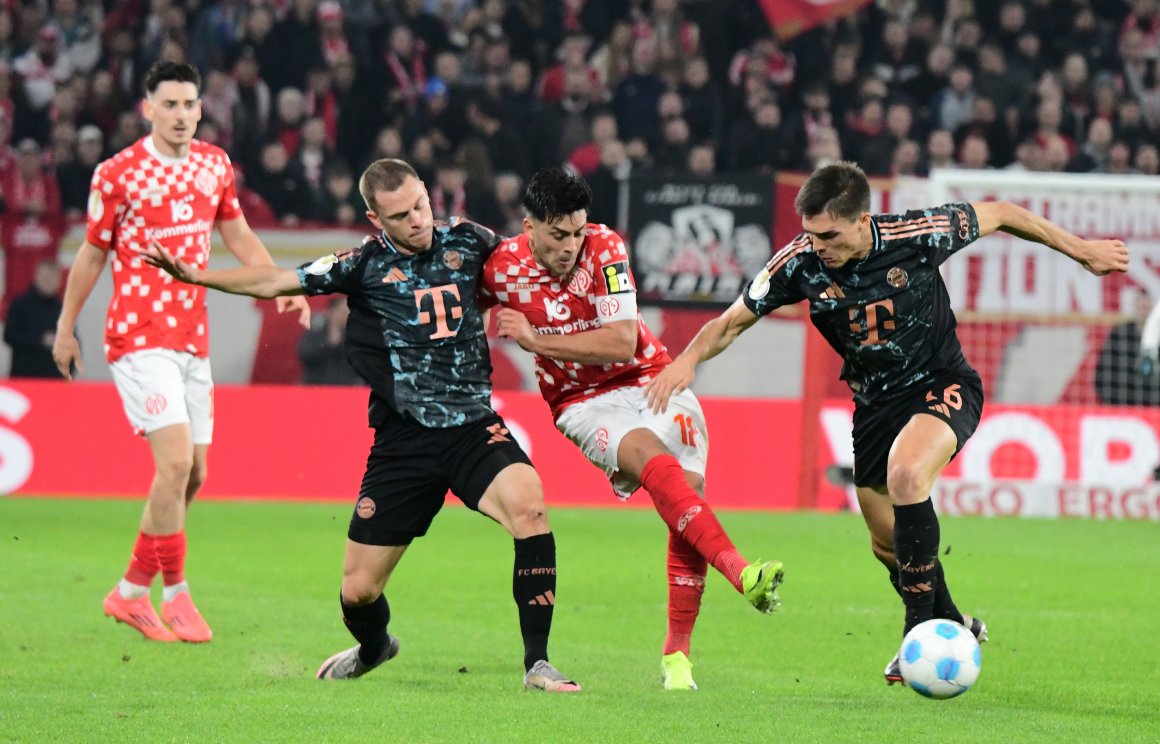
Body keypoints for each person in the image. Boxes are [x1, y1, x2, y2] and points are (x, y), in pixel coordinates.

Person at [646, 161, 1129, 685]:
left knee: (906, 476)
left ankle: (918, 635)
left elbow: (1005, 214)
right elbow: (732, 321)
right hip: (874, 406)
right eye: (809, 234)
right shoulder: (800, 263)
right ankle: (952, 621)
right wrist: (688, 359)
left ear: (861, 220)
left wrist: (1082, 250)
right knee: (886, 544)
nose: (818, 246)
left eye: (828, 235)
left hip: (940, 383)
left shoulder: (918, 234)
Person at [140, 158, 580, 692]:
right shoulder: (362, 265)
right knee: (358, 591)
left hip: (471, 425)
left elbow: (531, 258)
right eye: (400, 215)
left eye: (421, 205)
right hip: (403, 440)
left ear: (426, 191)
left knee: (530, 506)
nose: (418, 220)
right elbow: (276, 279)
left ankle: (538, 664)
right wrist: (197, 275)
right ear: (376, 218)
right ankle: (375, 647)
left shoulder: (471, 239)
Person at [479, 167, 784, 691]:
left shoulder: (605, 248)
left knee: (687, 499)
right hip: (580, 401)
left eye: (577, 231)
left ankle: (677, 657)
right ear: (528, 225)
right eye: (558, 235)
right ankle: (742, 573)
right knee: (646, 457)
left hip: (648, 374)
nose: (571, 245)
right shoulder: (500, 268)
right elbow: (459, 305)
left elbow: (621, 342)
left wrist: (535, 340)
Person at [51, 61, 311, 644]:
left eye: (189, 104)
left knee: (194, 474)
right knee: (172, 465)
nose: (181, 115)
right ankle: (178, 594)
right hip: (138, 335)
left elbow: (237, 233)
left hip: (193, 337)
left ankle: (129, 593)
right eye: (169, 104)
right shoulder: (117, 173)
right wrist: (66, 328)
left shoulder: (214, 165)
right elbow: (92, 255)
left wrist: (282, 283)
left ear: (200, 108)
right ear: (148, 109)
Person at [4, 260, 64, 378]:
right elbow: (9, 336)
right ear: (36, 277)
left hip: (54, 380)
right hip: (24, 377)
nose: (48, 282)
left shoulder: (62, 309)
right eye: (45, 277)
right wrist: (40, 339)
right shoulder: (20, 304)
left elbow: (74, 342)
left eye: (52, 278)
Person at [1100, 292, 1160, 405]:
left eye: (1147, 307)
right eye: (1140, 307)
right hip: (1122, 403)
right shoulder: (1120, 333)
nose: (1143, 311)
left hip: (1154, 404)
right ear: (1135, 308)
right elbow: (1103, 371)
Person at [298, 297, 364, 386]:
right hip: (317, 384)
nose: (345, 315)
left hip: (349, 387)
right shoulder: (316, 332)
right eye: (342, 312)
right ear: (331, 312)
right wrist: (329, 342)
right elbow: (305, 354)